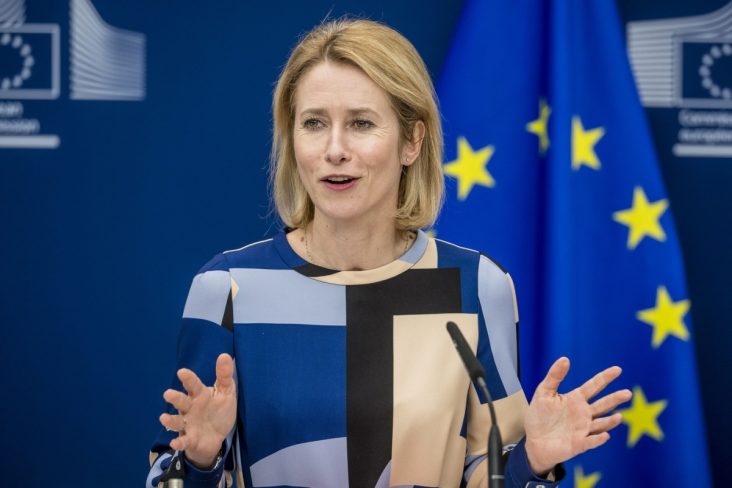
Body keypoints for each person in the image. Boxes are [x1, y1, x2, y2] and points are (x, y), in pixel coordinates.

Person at [147, 18, 632, 488]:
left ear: (412, 142)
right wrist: (200, 460)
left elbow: (489, 471)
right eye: (314, 123)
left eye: (361, 123)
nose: (335, 149)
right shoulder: (228, 288)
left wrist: (532, 462)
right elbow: (167, 474)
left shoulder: (477, 285)